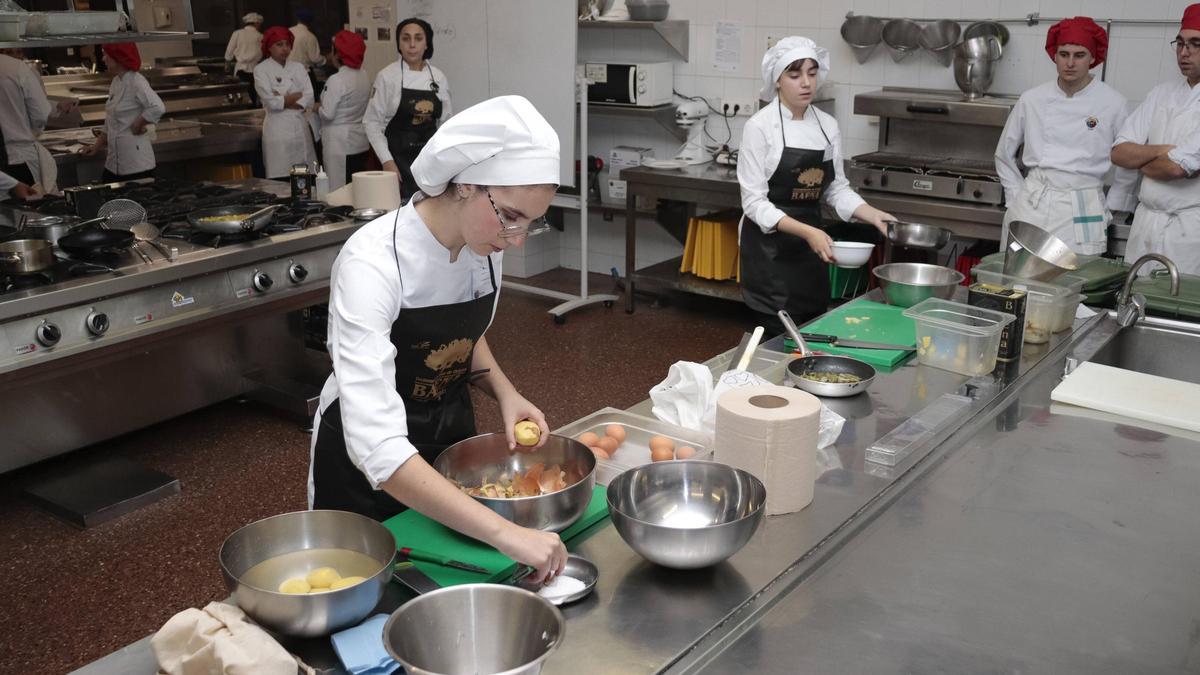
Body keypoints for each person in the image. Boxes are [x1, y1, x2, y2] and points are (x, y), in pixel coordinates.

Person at [309, 95, 566, 584]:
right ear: (465, 184)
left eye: (531, 223)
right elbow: (380, 448)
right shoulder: (372, 263)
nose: (517, 240)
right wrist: (506, 534)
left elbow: (460, 334)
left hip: (447, 438)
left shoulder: (483, 241)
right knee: (368, 589)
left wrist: (505, 392)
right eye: (511, 216)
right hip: (367, 464)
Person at [738, 37, 894, 331]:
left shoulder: (827, 125)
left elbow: (835, 188)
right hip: (769, 249)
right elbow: (754, 203)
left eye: (812, 73)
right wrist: (808, 232)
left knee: (812, 326)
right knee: (778, 332)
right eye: (794, 75)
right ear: (777, 80)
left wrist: (873, 215)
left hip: (812, 247)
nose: (806, 82)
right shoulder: (759, 127)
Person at [994, 17, 1139, 255]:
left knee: (1077, 273)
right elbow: (1003, 154)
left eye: (1079, 55)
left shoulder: (1113, 103)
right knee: (1017, 272)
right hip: (1033, 201)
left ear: (1093, 58)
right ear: (1055, 55)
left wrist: (1112, 204)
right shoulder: (1033, 99)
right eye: (1064, 54)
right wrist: (1015, 195)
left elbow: (1129, 162)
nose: (1070, 63)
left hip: (1085, 204)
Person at [1111, 3, 1200, 273]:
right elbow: (1119, 153)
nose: (1184, 53)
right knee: (1134, 296)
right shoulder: (1161, 94)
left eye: (1196, 44)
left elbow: (1174, 169)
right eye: (1180, 43)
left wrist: (1141, 158)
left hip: (1189, 230)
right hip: (1145, 224)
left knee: (1178, 299)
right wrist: (1164, 151)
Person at [363, 17, 451, 202]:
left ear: (427, 44)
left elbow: (445, 124)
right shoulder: (387, 77)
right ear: (399, 44)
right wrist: (387, 161)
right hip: (396, 162)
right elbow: (371, 123)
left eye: (418, 38)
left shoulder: (439, 77)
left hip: (428, 163)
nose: (412, 45)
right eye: (405, 38)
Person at [77, 43, 165, 182]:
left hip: (136, 165)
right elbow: (110, 120)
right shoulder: (116, 82)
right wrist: (96, 146)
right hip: (113, 163)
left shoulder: (136, 81)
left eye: (106, 55)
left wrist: (138, 123)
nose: (103, 59)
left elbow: (157, 107)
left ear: (118, 58)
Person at [254, 26, 316, 179]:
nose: (284, 49)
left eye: (287, 44)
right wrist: (296, 95)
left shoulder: (298, 67)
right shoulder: (261, 70)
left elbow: (309, 97)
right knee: (281, 179)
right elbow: (272, 103)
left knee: (303, 179)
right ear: (269, 47)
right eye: (279, 44)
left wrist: (282, 98)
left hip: (300, 127)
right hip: (278, 130)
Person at [317, 30, 370, 190]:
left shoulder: (336, 80)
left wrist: (317, 107)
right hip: (359, 140)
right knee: (357, 189)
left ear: (337, 54)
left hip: (338, 143)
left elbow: (328, 114)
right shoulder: (364, 75)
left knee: (338, 189)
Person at [0, 48, 55, 192]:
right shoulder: (17, 68)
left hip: (12, 158)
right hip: (21, 157)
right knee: (31, 204)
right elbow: (41, 113)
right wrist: (33, 132)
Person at [226, 13, 264, 104]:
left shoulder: (237, 33)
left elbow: (229, 50)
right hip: (255, 69)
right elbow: (262, 53)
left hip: (240, 69)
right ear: (256, 23)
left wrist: (227, 63)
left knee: (242, 95)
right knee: (254, 94)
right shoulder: (260, 36)